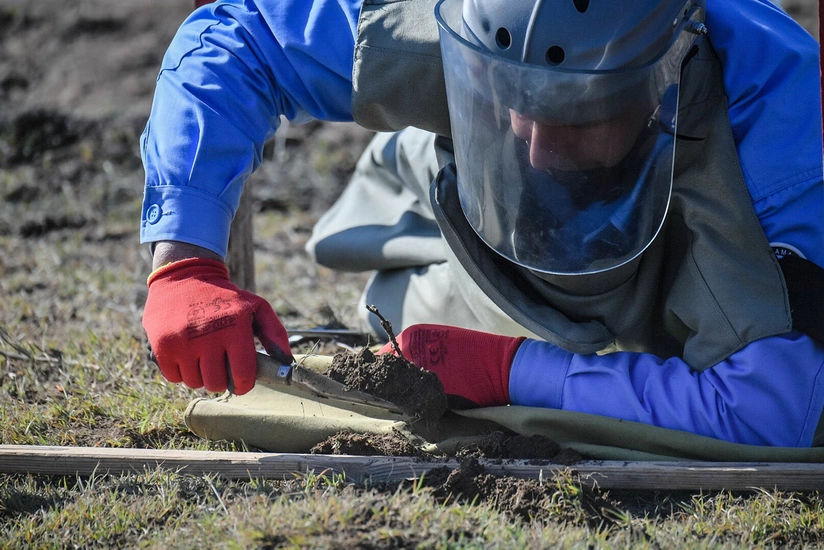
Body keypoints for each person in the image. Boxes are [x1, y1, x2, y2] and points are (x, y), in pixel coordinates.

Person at [140, 0, 824, 447]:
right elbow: (235, 36)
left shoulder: (781, 144)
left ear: (665, 76)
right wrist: (185, 260)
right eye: (514, 101)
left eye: (576, 114)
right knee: (397, 313)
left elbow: (770, 414)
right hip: (472, 248)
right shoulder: (463, 21)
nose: (536, 146)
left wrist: (513, 372)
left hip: (683, 287)